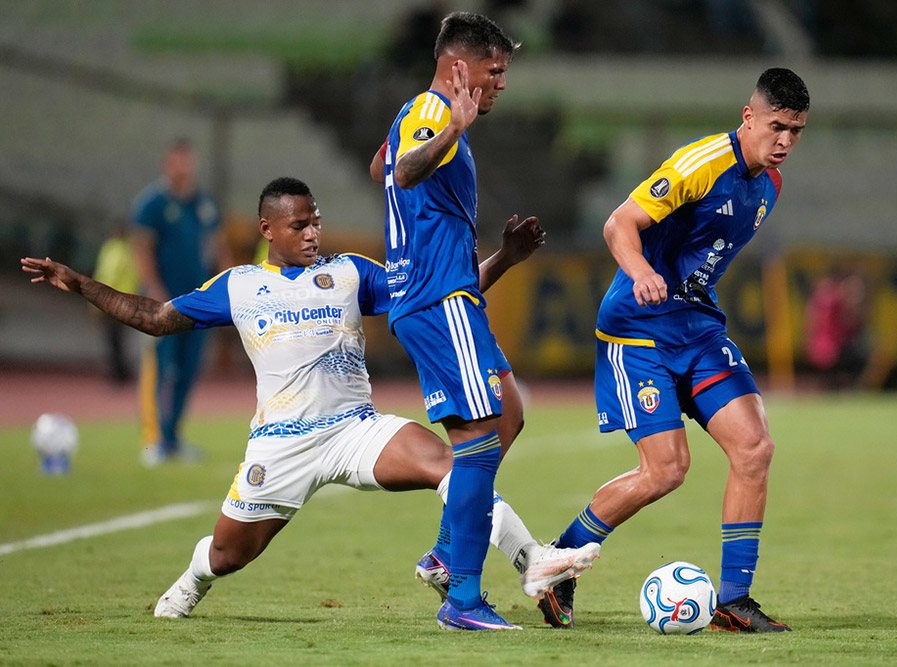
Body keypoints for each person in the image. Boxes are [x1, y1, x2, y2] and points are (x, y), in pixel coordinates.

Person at [21, 177, 598, 629]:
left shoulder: (349, 273)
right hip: (282, 444)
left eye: (316, 222)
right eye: (299, 225)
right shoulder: (239, 285)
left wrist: (503, 260)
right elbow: (153, 318)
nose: (312, 233)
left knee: (455, 465)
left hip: (357, 429)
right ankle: (195, 578)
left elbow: (438, 296)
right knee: (228, 554)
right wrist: (79, 283)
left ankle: (533, 563)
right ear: (267, 228)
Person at [538, 68, 810, 632]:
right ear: (749, 117)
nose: (784, 141)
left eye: (796, 131)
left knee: (755, 449)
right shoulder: (701, 163)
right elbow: (620, 223)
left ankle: (733, 602)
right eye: (777, 126)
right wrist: (639, 270)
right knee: (666, 471)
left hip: (699, 330)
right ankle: (557, 563)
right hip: (638, 332)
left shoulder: (771, 184)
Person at [374, 12, 559, 631]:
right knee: (476, 446)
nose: (502, 82)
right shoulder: (434, 115)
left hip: (444, 295)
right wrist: (450, 126)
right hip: (439, 301)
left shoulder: (415, 114)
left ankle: (449, 553)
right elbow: (402, 171)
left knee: (508, 411)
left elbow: (383, 169)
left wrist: (506, 257)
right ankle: (463, 598)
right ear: (460, 69)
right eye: (494, 70)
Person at [131, 138, 228, 465]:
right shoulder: (152, 204)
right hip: (163, 303)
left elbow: (218, 246)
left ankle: (173, 438)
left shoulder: (204, 203)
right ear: (166, 163)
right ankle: (154, 439)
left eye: (188, 160)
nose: (184, 167)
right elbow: (142, 249)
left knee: (188, 370)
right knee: (162, 368)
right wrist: (155, 289)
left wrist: (230, 285)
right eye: (177, 161)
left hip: (198, 303)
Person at [92, 219, 141, 384]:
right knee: (116, 340)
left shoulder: (119, 251)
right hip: (116, 300)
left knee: (116, 339)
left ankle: (119, 373)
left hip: (116, 301)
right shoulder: (117, 249)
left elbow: (109, 276)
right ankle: (120, 372)